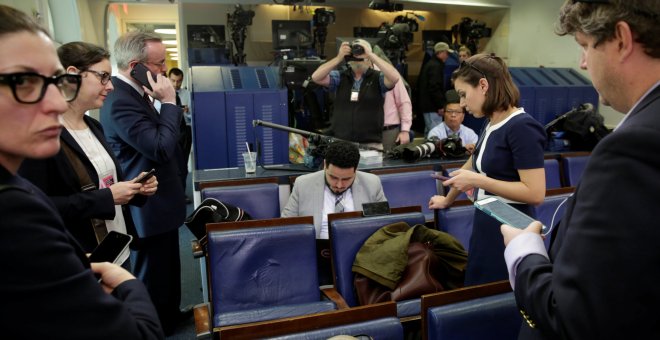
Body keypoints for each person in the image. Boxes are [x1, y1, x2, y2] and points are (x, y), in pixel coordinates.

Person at [0, 4, 163, 338]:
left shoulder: (93, 126)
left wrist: (128, 191)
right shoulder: (14, 209)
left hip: (112, 243)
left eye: (55, 81)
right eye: (25, 81)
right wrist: (130, 285)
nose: (58, 102)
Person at [501, 1, 660, 338]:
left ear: (621, 39)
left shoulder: (633, 148)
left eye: (586, 46)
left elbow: (576, 318)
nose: (583, 63)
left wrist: (523, 249)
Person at [18, 41, 158, 254]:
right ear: (72, 75)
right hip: (82, 255)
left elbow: (102, 184)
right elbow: (35, 207)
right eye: (103, 76)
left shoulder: (94, 126)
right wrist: (108, 197)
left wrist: (134, 189)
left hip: (117, 245)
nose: (110, 86)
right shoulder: (42, 136)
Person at [428, 53, 546, 286]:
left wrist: (479, 181)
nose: (461, 103)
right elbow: (473, 163)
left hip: (511, 228)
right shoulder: (491, 121)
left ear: (483, 85)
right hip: (487, 222)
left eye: (463, 94)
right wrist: (448, 199)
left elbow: (535, 193)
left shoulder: (521, 126)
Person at [100, 31, 187, 335]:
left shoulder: (138, 94)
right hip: (147, 205)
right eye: (160, 64)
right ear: (136, 65)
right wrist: (169, 101)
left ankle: (170, 317)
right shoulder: (120, 101)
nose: (164, 70)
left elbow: (174, 141)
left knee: (168, 270)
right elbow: (160, 147)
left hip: (162, 201)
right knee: (152, 274)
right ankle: (153, 329)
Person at [282, 140, 387, 239]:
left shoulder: (372, 184)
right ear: (325, 165)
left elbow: (383, 225)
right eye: (333, 177)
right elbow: (286, 225)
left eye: (346, 179)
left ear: (356, 169)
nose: (339, 185)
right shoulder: (303, 184)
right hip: (318, 250)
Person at [311, 39, 400, 150]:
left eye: (361, 51)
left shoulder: (378, 78)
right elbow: (316, 77)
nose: (357, 56)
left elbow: (395, 77)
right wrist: (338, 58)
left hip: (370, 144)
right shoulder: (340, 76)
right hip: (341, 142)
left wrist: (370, 54)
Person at [372, 45, 412, 152]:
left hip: (388, 131)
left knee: (388, 165)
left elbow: (404, 102)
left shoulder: (390, 74)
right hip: (364, 132)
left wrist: (405, 130)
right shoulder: (356, 75)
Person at [427, 89, 478, 154]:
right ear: (444, 114)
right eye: (450, 111)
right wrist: (463, 149)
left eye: (457, 112)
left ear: (463, 116)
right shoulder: (435, 133)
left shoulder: (469, 133)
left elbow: (478, 150)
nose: (453, 115)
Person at [167, 67, 192, 197]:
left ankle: (182, 192)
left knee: (183, 164)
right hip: (170, 131)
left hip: (185, 132)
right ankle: (173, 193)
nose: (176, 84)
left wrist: (187, 113)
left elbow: (192, 118)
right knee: (171, 164)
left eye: (179, 81)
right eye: (173, 80)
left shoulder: (186, 94)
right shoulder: (162, 94)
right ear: (168, 79)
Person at [418, 42, 452, 135]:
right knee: (435, 134)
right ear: (441, 52)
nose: (447, 56)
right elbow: (434, 87)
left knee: (429, 133)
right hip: (432, 107)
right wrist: (440, 105)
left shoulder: (431, 64)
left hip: (428, 106)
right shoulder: (436, 66)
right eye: (446, 53)